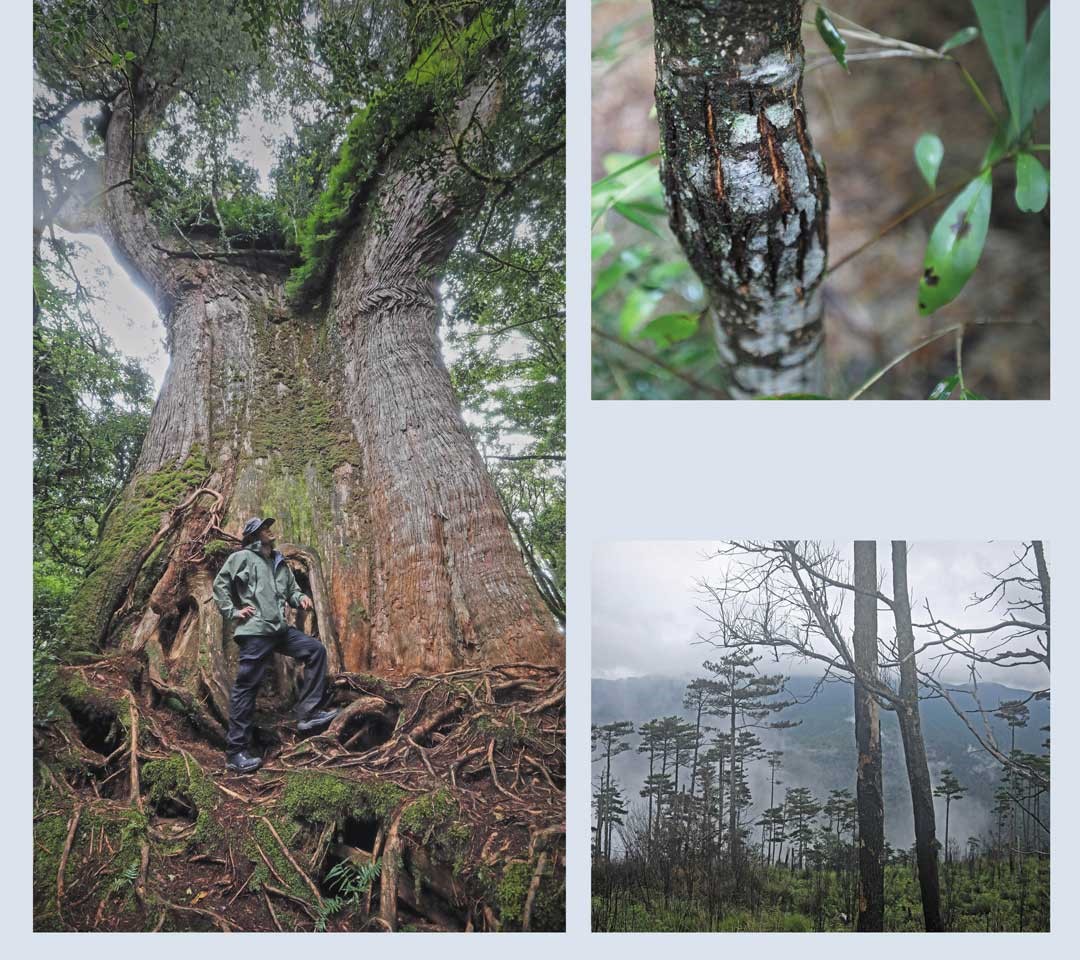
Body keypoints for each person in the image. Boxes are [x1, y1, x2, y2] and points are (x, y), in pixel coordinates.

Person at [212, 516, 338, 773]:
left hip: (280, 630)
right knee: (246, 688)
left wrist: (300, 598)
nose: (269, 530)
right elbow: (220, 585)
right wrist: (233, 611)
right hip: (256, 631)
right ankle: (235, 753)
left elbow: (292, 591)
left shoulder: (279, 562)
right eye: (263, 529)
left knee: (315, 650)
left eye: (268, 527)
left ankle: (308, 714)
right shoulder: (242, 558)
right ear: (253, 536)